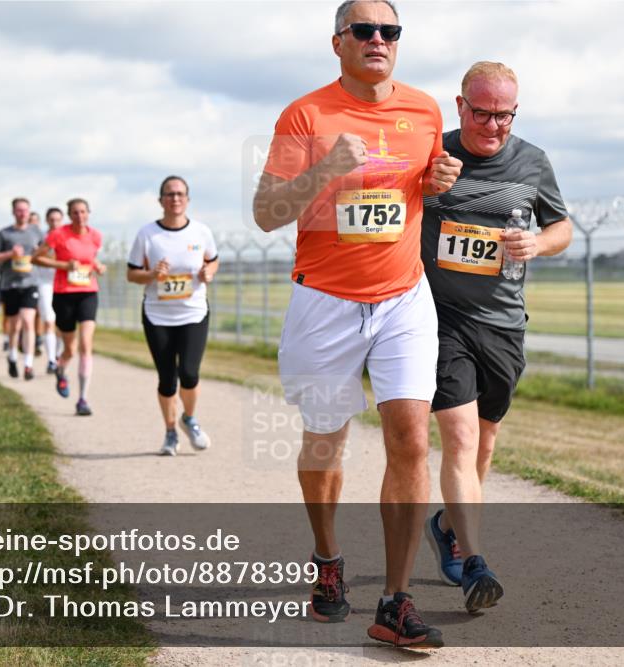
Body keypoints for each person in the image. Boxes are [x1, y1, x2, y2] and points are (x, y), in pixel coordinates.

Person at [252, 0, 461, 649]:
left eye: (389, 31)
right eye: (364, 30)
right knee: (325, 443)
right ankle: (327, 557)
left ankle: (396, 601)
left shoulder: (424, 110)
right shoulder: (305, 114)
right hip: (325, 301)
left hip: (403, 297)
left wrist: (439, 179)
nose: (378, 39)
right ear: (338, 42)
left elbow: (421, 185)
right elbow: (266, 212)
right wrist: (324, 169)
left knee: (411, 439)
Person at [420, 61, 572, 612]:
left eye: (504, 115)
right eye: (481, 113)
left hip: (504, 323)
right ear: (459, 106)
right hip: (440, 317)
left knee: (484, 445)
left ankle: (447, 527)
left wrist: (538, 244)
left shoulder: (533, 161)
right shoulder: (432, 153)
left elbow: (561, 226)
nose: (492, 125)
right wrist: (421, 182)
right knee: (460, 440)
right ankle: (474, 562)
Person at [127, 176, 219, 456]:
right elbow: (132, 274)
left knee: (189, 373)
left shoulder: (201, 232)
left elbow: (213, 260)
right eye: (169, 194)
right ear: (161, 200)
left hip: (193, 313)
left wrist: (209, 272)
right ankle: (170, 432)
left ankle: (188, 419)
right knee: (167, 378)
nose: (175, 198)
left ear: (187, 199)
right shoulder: (147, 234)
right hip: (158, 316)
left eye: (180, 194)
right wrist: (152, 274)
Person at [32, 198, 105, 416]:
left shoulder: (96, 236)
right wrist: (63, 265)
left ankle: (83, 399)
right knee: (70, 349)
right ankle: (60, 370)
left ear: (89, 213)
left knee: (86, 344)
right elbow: (36, 258)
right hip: (64, 294)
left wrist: (98, 266)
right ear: (69, 215)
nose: (79, 216)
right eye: (75, 212)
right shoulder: (58, 235)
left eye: (83, 212)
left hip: (88, 292)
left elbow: (90, 260)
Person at [0, 198, 44, 380]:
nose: (22, 213)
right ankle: (12, 356)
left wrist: (38, 252)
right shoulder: (5, 233)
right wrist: (9, 254)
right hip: (10, 284)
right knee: (15, 324)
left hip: (30, 283)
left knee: (28, 321)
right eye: (19, 210)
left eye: (25, 210)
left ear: (29, 212)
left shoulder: (36, 232)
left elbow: (49, 251)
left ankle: (28, 364)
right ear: (13, 212)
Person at [34, 208, 63, 373]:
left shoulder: (67, 237)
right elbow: (34, 258)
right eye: (51, 220)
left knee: (62, 323)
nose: (54, 223)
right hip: (45, 282)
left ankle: (57, 355)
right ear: (47, 221)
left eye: (57, 220)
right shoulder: (41, 238)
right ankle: (51, 359)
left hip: (64, 283)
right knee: (48, 320)